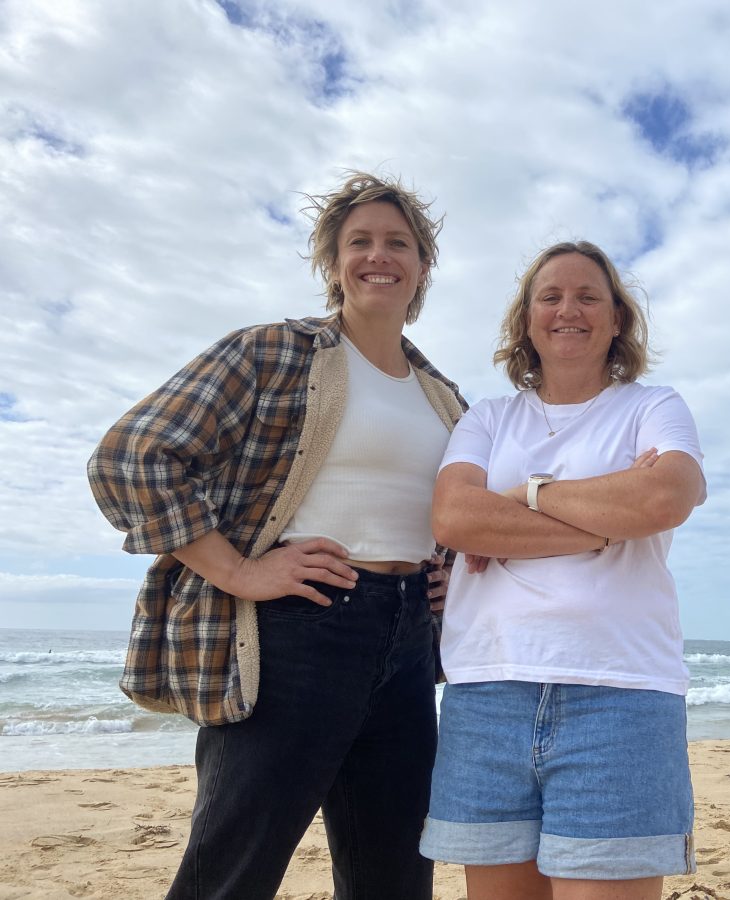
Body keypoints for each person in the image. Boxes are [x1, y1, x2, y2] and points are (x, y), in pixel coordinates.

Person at [87, 172, 465, 900]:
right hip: (298, 631)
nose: (377, 256)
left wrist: (452, 573)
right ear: (332, 263)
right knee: (233, 873)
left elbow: (444, 508)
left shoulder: (443, 396)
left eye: (398, 243)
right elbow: (131, 454)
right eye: (359, 242)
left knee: (397, 876)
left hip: (410, 643)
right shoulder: (274, 352)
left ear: (422, 267)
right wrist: (237, 570)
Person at [419, 241, 706, 900]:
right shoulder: (488, 417)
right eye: (549, 296)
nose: (566, 309)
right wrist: (608, 519)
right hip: (488, 691)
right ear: (526, 320)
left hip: (621, 694)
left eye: (587, 296)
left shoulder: (652, 407)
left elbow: (665, 498)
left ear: (616, 320)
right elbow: (455, 519)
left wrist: (525, 494)